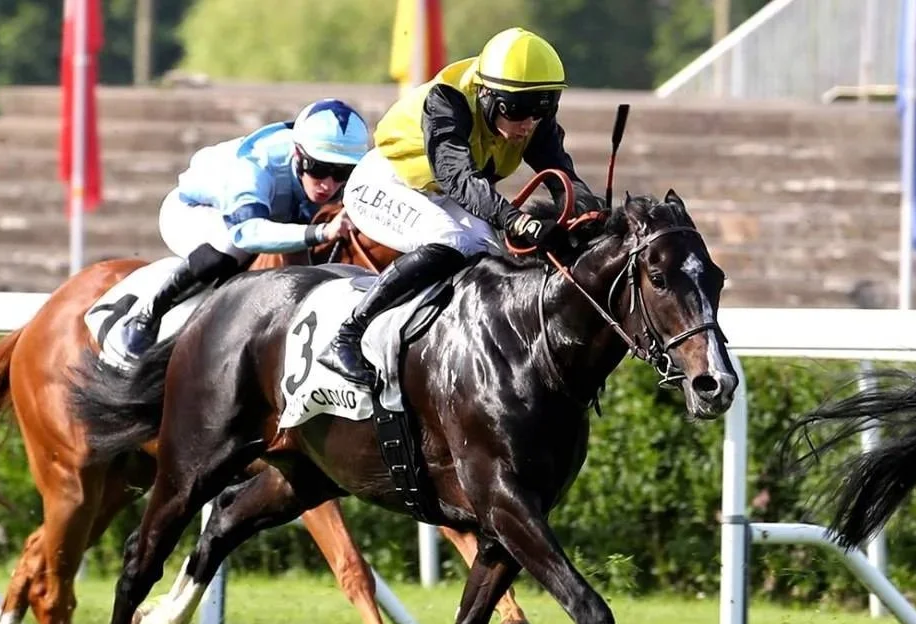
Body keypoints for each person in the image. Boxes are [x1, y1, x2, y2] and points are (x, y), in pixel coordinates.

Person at [318, 27, 602, 387]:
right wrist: (518, 221)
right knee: (451, 241)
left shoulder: (530, 118)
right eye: (518, 112)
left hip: (443, 194)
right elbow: (460, 179)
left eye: (540, 112)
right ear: (487, 95)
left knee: (491, 257)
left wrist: (595, 214)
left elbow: (562, 175)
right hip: (386, 182)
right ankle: (347, 335)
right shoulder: (447, 101)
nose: (528, 125)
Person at [122, 98, 372, 358]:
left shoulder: (336, 178)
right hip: (195, 212)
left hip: (272, 218)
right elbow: (246, 233)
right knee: (231, 244)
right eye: (318, 168)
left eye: (342, 172)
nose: (328, 185)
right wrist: (322, 232)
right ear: (298, 154)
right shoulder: (255, 165)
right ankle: (149, 313)